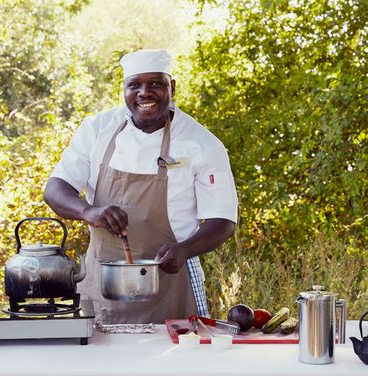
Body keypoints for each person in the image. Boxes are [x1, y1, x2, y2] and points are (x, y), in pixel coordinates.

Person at [44, 49, 238, 324]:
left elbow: (222, 220)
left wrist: (184, 249)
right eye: (134, 84)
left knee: (172, 366)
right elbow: (55, 189)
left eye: (156, 83)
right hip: (101, 285)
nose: (144, 92)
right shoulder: (98, 129)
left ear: (172, 86)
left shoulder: (201, 144)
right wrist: (89, 212)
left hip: (171, 284)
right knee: (97, 366)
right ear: (124, 90)